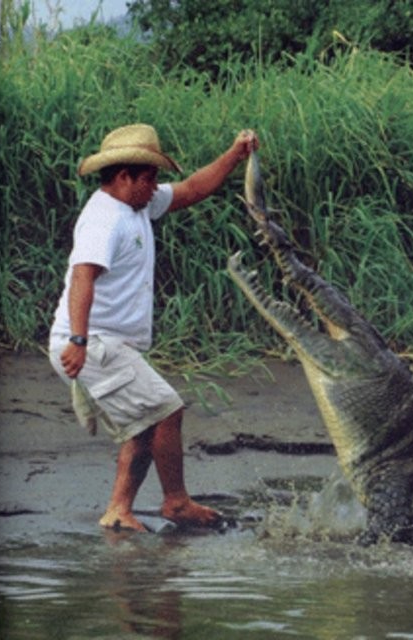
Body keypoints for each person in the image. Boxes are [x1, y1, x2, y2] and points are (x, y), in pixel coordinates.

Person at [49, 123, 258, 532]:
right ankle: (175, 502)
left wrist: (235, 153)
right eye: (150, 178)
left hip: (108, 345)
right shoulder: (104, 220)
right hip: (93, 344)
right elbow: (81, 278)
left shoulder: (137, 203)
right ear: (125, 177)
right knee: (167, 409)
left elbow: (194, 188)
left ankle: (118, 511)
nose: (157, 186)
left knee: (144, 423)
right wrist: (78, 340)